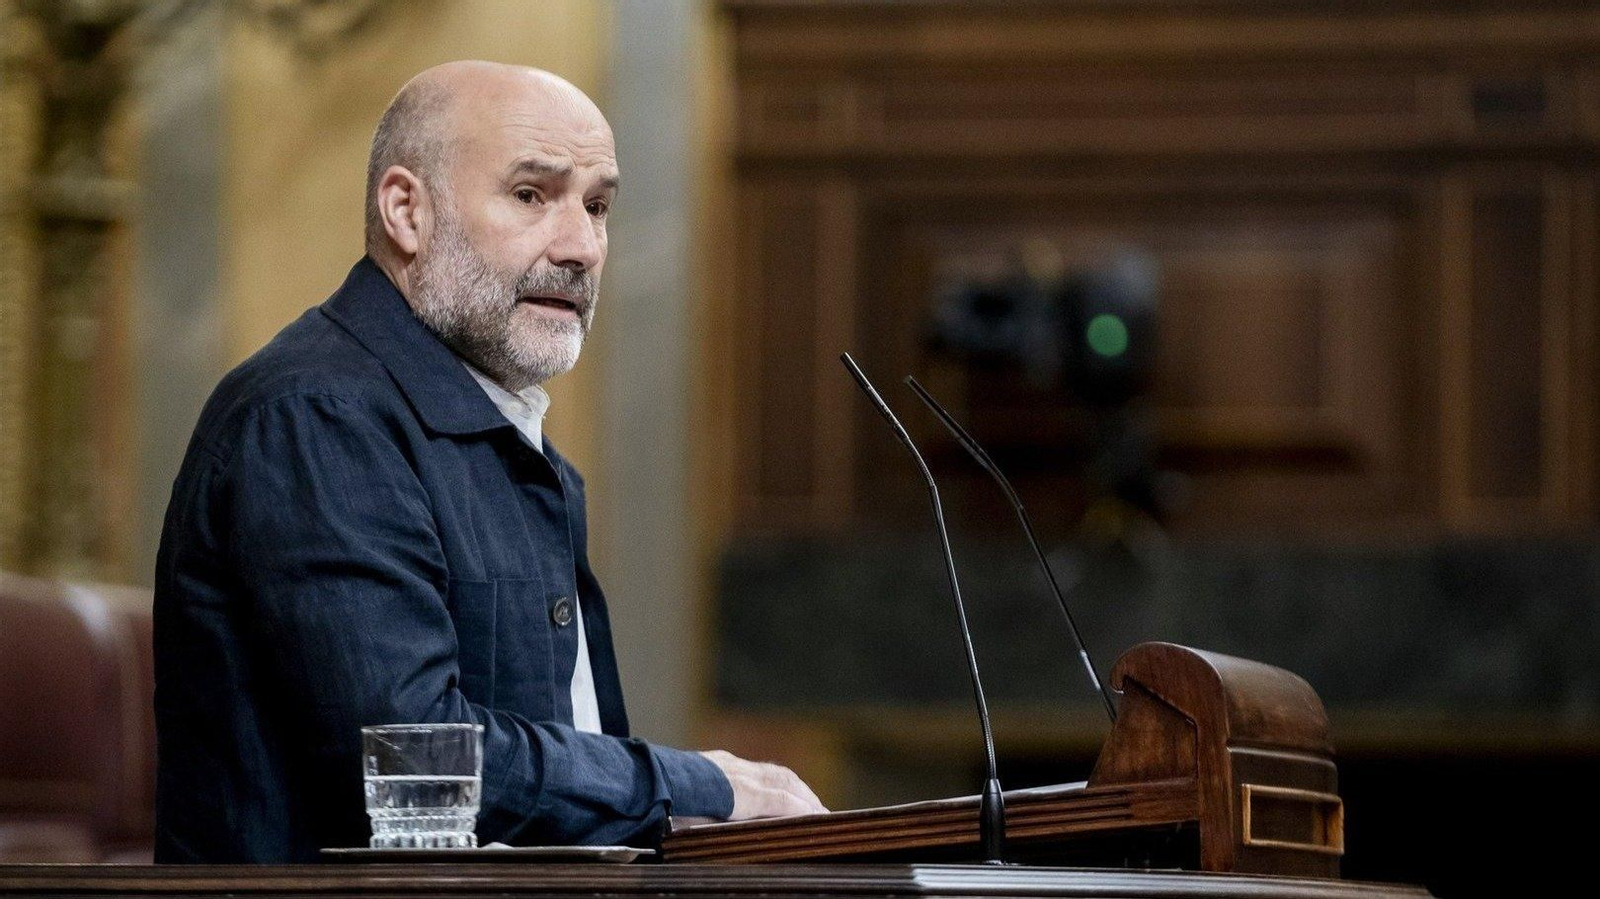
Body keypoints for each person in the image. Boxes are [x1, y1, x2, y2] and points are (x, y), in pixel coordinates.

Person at [152, 61, 825, 864]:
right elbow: (411, 761)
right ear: (407, 210)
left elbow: (564, 808)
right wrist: (702, 788)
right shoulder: (317, 417)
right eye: (531, 196)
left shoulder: (524, 452)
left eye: (599, 206)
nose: (581, 247)